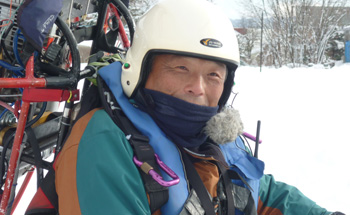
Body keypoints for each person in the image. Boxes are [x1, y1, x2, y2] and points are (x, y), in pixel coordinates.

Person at [54, 0, 344, 214]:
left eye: (214, 75)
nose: (199, 87)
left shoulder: (216, 139)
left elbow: (265, 194)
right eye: (181, 68)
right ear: (141, 71)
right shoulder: (104, 142)